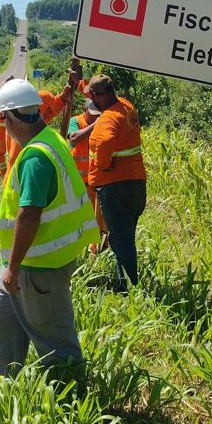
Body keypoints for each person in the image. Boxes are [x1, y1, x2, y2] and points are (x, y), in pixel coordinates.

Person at [0, 78, 100, 377]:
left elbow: (29, 215)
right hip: (26, 262)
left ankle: (71, 398)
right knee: (2, 325)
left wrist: (12, 267)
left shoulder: (36, 157)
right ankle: (4, 390)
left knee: (56, 344)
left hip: (38, 267)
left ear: (10, 118)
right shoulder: (50, 139)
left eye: (2, 118)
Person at [86, 74, 146, 291]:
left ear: (99, 95)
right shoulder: (127, 106)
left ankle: (129, 288)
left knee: (121, 240)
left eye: (93, 97)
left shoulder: (109, 118)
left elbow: (105, 142)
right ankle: (125, 282)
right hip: (136, 183)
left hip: (115, 187)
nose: (92, 102)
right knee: (124, 236)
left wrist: (103, 165)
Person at [67, 98, 108, 254]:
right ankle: (76, 251)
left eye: (98, 115)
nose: (95, 117)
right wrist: (94, 125)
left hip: (94, 182)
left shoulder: (100, 124)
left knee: (95, 221)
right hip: (76, 183)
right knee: (76, 220)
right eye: (92, 114)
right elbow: (74, 138)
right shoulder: (76, 121)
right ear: (85, 110)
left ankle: (94, 252)